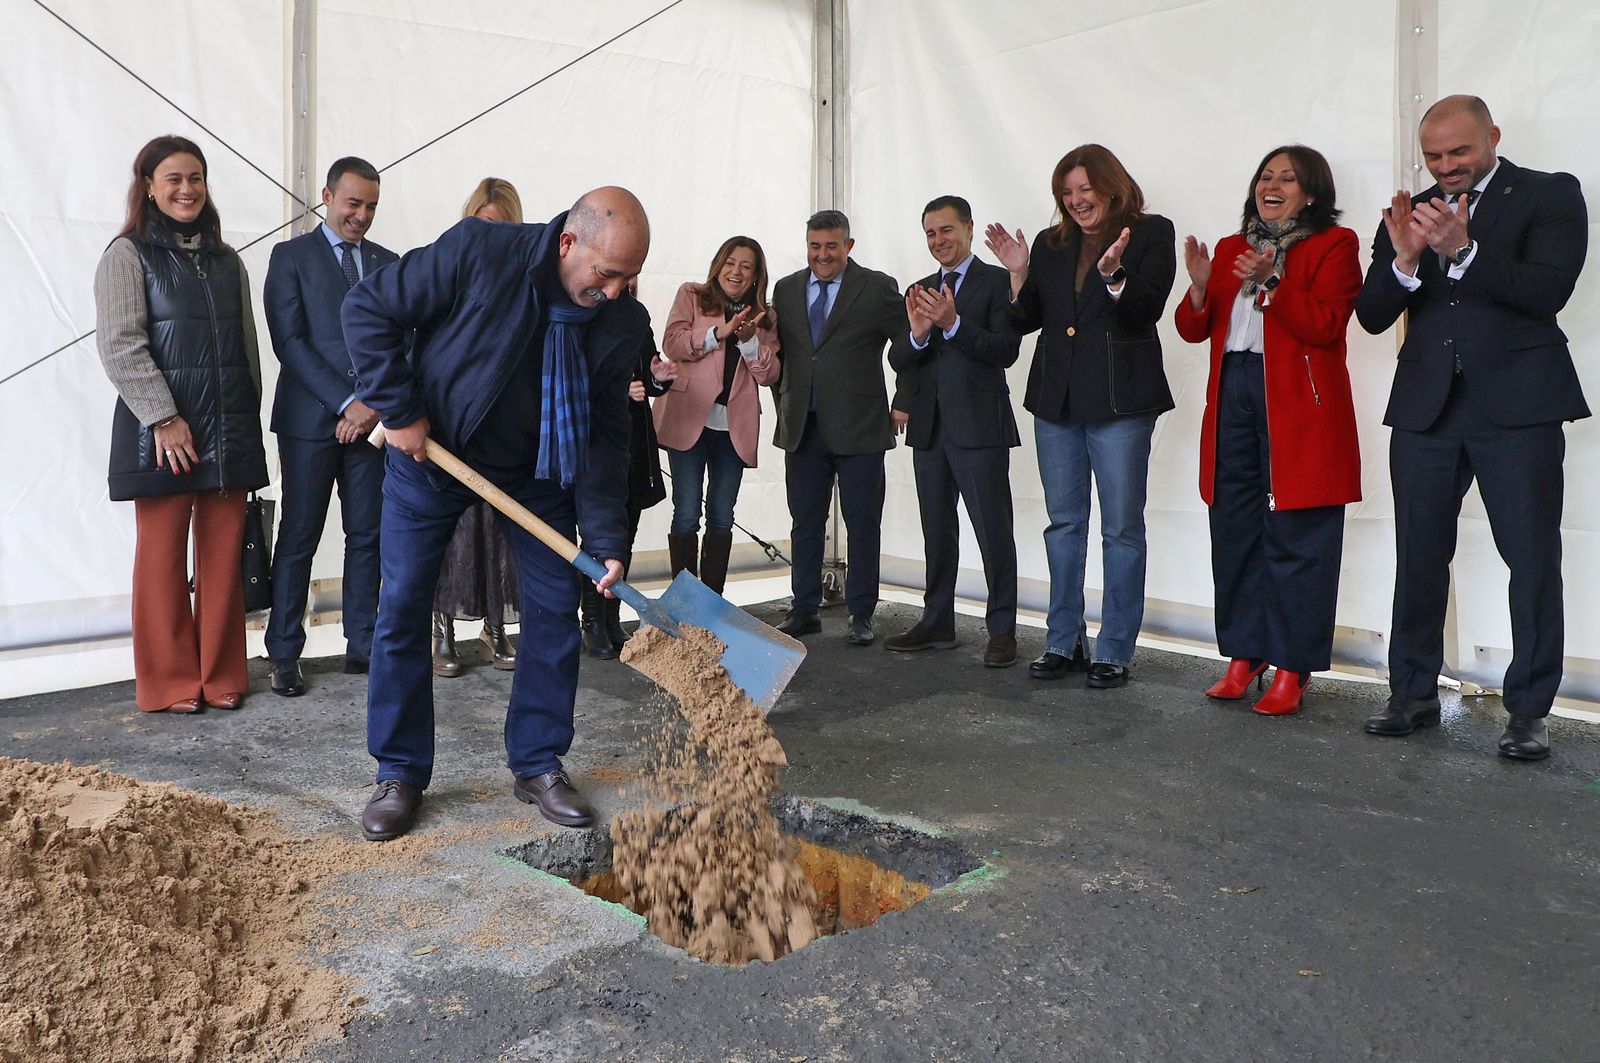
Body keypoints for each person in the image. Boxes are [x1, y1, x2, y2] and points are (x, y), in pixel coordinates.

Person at [343, 187, 651, 840]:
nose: (618, 290)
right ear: (570, 243)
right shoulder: (481, 252)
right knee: (401, 605)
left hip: (537, 470)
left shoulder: (620, 321)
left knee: (552, 610)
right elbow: (367, 308)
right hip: (437, 452)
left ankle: (538, 761)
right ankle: (399, 771)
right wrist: (398, 408)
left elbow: (605, 435)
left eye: (630, 277)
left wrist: (605, 538)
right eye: (608, 273)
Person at [1355, 96, 1589, 761]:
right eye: (1434, 155)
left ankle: (1529, 712)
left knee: (1532, 559)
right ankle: (1412, 694)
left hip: (1519, 406)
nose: (1446, 166)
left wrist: (1463, 252)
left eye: (1459, 151)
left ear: (1492, 136)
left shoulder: (1549, 194)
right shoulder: (1412, 212)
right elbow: (1371, 316)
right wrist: (1402, 264)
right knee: (1418, 555)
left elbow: (1548, 291)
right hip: (1427, 408)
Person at [1174, 146, 1363, 715]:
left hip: (1297, 403)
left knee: (1298, 534)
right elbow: (1191, 330)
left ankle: (1292, 667)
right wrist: (1202, 288)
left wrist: (1273, 280)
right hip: (1233, 392)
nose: (1272, 185)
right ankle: (1243, 653)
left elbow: (1326, 325)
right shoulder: (1233, 247)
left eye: (1288, 178)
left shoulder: (1336, 244)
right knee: (1233, 525)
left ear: (1312, 194)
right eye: (1265, 175)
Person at [985, 144, 1177, 689]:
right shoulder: (1050, 244)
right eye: (1066, 194)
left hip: (1121, 401)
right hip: (1057, 400)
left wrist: (1114, 273)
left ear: (1111, 187)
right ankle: (1062, 640)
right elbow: (1024, 322)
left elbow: (1147, 310)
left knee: (1120, 529)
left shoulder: (1151, 232)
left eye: (1084, 191)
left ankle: (1114, 648)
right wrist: (1019, 273)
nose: (1075, 202)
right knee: (1064, 525)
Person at [93, 134, 269, 713]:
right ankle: (169, 682)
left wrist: (246, 424)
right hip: (162, 436)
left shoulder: (226, 260)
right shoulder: (127, 255)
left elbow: (245, 349)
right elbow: (121, 346)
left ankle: (220, 674)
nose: (187, 189)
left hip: (228, 433)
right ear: (148, 186)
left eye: (195, 178)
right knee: (163, 562)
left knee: (223, 561)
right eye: (173, 178)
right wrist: (164, 418)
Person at [262, 157, 396, 696]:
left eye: (370, 207)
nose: (361, 216)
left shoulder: (389, 263)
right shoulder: (289, 256)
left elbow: (400, 341)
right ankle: (284, 652)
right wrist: (346, 402)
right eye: (353, 203)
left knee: (368, 536)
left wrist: (372, 406)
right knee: (299, 535)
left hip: (370, 426)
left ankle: (362, 645)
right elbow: (288, 341)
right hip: (309, 423)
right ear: (326, 196)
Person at [886, 195, 1022, 667]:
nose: (938, 241)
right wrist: (919, 332)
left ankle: (1002, 629)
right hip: (930, 429)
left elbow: (1005, 349)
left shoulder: (996, 281)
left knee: (993, 530)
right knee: (936, 531)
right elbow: (899, 359)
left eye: (946, 230)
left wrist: (953, 323)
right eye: (930, 233)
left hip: (980, 427)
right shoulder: (920, 288)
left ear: (968, 228)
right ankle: (937, 621)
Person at [770, 210, 903, 645]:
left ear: (849, 245)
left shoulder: (878, 287)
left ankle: (861, 613)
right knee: (804, 523)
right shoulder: (786, 289)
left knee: (863, 523)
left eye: (831, 246)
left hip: (861, 428)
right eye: (814, 246)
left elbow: (910, 345)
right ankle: (804, 609)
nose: (822, 255)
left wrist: (904, 402)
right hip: (802, 428)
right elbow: (787, 357)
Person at [431, 178, 527, 677]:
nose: (490, 237)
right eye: (482, 225)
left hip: (499, 428)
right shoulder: (445, 272)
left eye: (501, 228)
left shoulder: (523, 283)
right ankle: (441, 629)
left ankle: (496, 627)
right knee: (454, 531)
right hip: (450, 425)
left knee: (498, 530)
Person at [653, 237, 781, 594]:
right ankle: (683, 597)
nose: (736, 271)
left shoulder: (764, 317)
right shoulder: (692, 294)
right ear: (718, 265)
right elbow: (672, 342)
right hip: (688, 419)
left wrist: (750, 342)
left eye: (745, 266)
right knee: (687, 512)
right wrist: (717, 334)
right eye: (730, 262)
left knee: (722, 516)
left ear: (756, 276)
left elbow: (769, 375)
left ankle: (712, 602)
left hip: (733, 428)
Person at [580, 278, 677, 659]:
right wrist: (619, 390)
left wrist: (658, 378)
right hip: (593, 438)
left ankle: (610, 616)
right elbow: (574, 379)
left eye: (634, 274)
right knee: (596, 536)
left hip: (633, 441)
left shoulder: (637, 317)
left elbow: (647, 377)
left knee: (625, 532)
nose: (629, 282)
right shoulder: (582, 317)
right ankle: (591, 619)